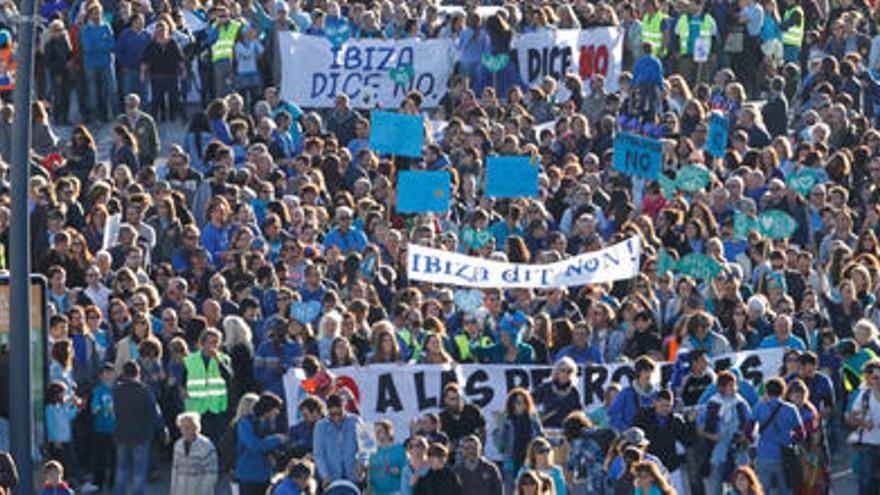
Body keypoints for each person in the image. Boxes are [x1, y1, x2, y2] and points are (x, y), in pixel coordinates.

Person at [113, 360, 169, 495]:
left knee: (121, 469)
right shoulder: (145, 391)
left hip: (121, 434)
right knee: (139, 471)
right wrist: (163, 430)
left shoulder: (116, 392)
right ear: (138, 373)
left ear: (124, 374)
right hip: (141, 435)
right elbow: (156, 414)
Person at [752, 377, 804, 495]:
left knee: (762, 490)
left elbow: (748, 430)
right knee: (786, 490)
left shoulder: (759, 407)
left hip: (763, 455)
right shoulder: (791, 409)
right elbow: (801, 434)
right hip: (784, 455)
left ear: (767, 391)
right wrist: (790, 440)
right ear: (783, 391)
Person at [183, 328, 233, 443]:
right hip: (197, 407)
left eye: (216, 342)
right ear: (203, 343)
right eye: (210, 342)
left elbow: (229, 377)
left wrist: (218, 361)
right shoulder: (190, 360)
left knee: (217, 441)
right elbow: (183, 381)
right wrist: (183, 391)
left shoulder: (224, 359)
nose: (213, 346)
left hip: (217, 407)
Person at [235, 392, 287, 495]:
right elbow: (254, 445)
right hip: (249, 476)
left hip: (265, 475)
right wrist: (277, 439)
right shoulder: (245, 422)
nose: (277, 412)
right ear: (268, 409)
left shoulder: (268, 423)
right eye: (275, 409)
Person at [495, 388, 544, 489]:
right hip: (511, 461)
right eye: (518, 402)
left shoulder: (532, 419)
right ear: (512, 404)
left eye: (524, 402)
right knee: (510, 488)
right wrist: (501, 426)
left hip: (529, 460)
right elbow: (500, 446)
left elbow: (541, 437)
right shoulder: (506, 420)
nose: (522, 405)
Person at [313, 394, 362, 487]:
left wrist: (362, 464)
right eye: (332, 415)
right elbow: (319, 453)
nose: (336, 418)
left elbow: (364, 447)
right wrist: (325, 475)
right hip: (332, 478)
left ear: (344, 408)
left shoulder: (356, 421)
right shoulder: (320, 426)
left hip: (354, 476)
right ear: (327, 411)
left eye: (339, 414)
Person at [846, 359, 880, 495]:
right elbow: (850, 417)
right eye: (875, 378)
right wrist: (864, 424)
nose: (878, 381)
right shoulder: (865, 395)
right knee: (867, 482)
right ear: (869, 379)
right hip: (868, 444)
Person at [170, 412, 218, 495]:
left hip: (199, 490)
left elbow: (211, 473)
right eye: (182, 427)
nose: (185, 430)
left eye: (188, 427)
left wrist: (202, 492)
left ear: (196, 428)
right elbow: (175, 470)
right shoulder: (178, 445)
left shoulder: (207, 446)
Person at [608, 356, 658, 431]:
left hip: (651, 434)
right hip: (630, 435)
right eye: (645, 371)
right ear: (638, 372)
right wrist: (625, 429)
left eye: (650, 371)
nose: (648, 374)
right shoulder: (626, 393)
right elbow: (612, 413)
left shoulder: (656, 394)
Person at [532, 357, 582, 428]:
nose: (566, 374)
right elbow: (529, 401)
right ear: (557, 371)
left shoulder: (574, 392)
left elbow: (578, 413)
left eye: (569, 371)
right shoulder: (545, 388)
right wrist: (537, 418)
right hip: (546, 429)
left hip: (567, 430)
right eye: (563, 370)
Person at [439, 383, 487, 453]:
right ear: (446, 400)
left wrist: (480, 446)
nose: (456, 402)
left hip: (473, 453)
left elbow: (482, 429)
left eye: (459, 398)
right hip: (452, 457)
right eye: (452, 399)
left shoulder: (472, 411)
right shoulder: (441, 418)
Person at [368, 419, 407, 495]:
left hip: (395, 491)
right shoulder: (373, 452)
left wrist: (399, 472)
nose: (376, 434)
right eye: (374, 432)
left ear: (388, 432)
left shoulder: (399, 449)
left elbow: (408, 471)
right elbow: (370, 473)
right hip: (376, 492)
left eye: (379, 431)